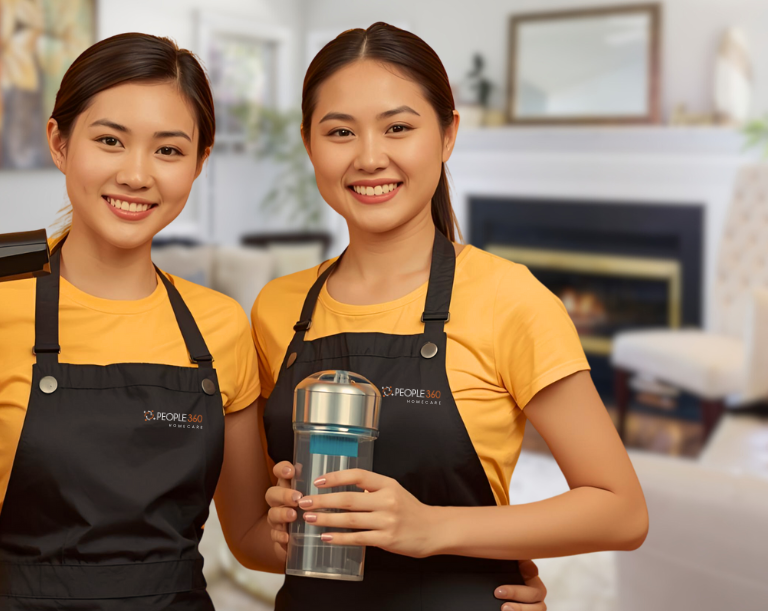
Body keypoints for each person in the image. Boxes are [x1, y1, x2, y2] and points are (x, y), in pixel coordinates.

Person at [254, 23, 648, 610]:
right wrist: (281, 524)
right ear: (310, 144)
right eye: (339, 131)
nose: (369, 157)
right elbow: (257, 543)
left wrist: (432, 528)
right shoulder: (277, 309)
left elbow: (621, 510)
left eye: (398, 128)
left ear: (446, 135)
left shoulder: (507, 297)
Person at [0, 33, 266, 610]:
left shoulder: (221, 326)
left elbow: (255, 542)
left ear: (199, 162)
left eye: (169, 150)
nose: (137, 174)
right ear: (59, 143)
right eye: (110, 140)